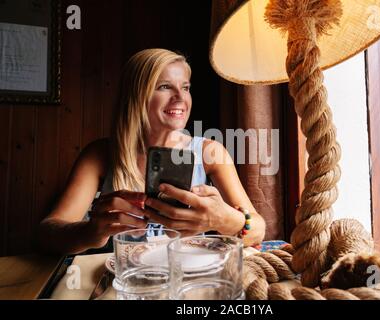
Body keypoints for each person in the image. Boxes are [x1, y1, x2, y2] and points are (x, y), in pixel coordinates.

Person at [38, 48, 266, 255]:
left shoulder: (211, 152)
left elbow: (258, 229)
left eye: (185, 87)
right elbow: (47, 233)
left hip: (187, 276)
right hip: (126, 278)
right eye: (164, 86)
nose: (180, 97)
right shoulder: (101, 154)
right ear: (137, 96)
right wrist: (90, 232)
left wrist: (224, 220)